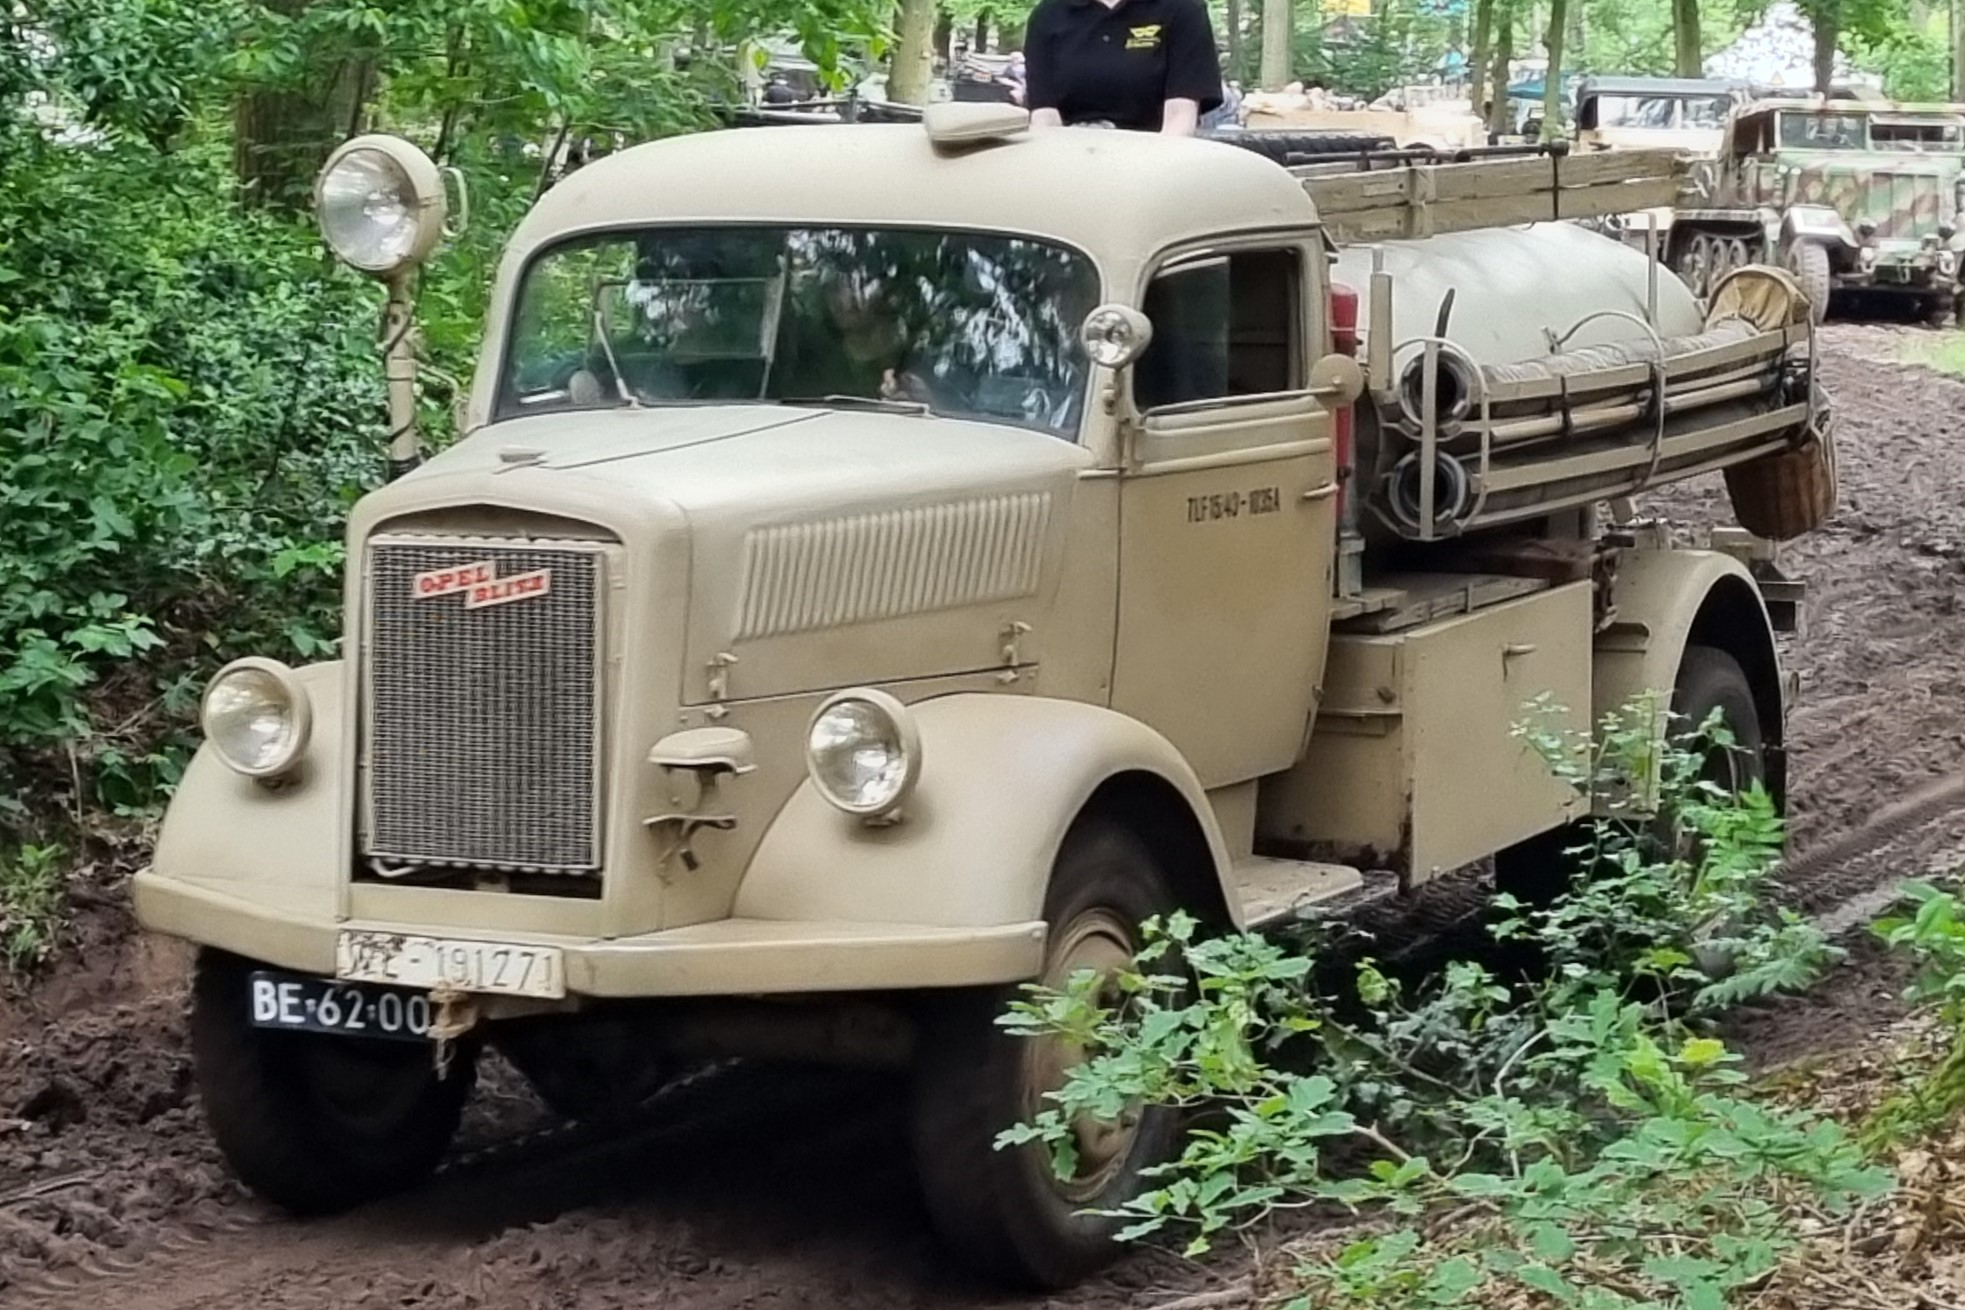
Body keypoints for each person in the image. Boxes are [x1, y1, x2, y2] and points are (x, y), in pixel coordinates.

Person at [1022, 0, 1223, 135]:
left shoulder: (1183, 10)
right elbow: (1044, 118)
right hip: (1071, 163)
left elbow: (1180, 117)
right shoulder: (1047, 16)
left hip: (1154, 160)